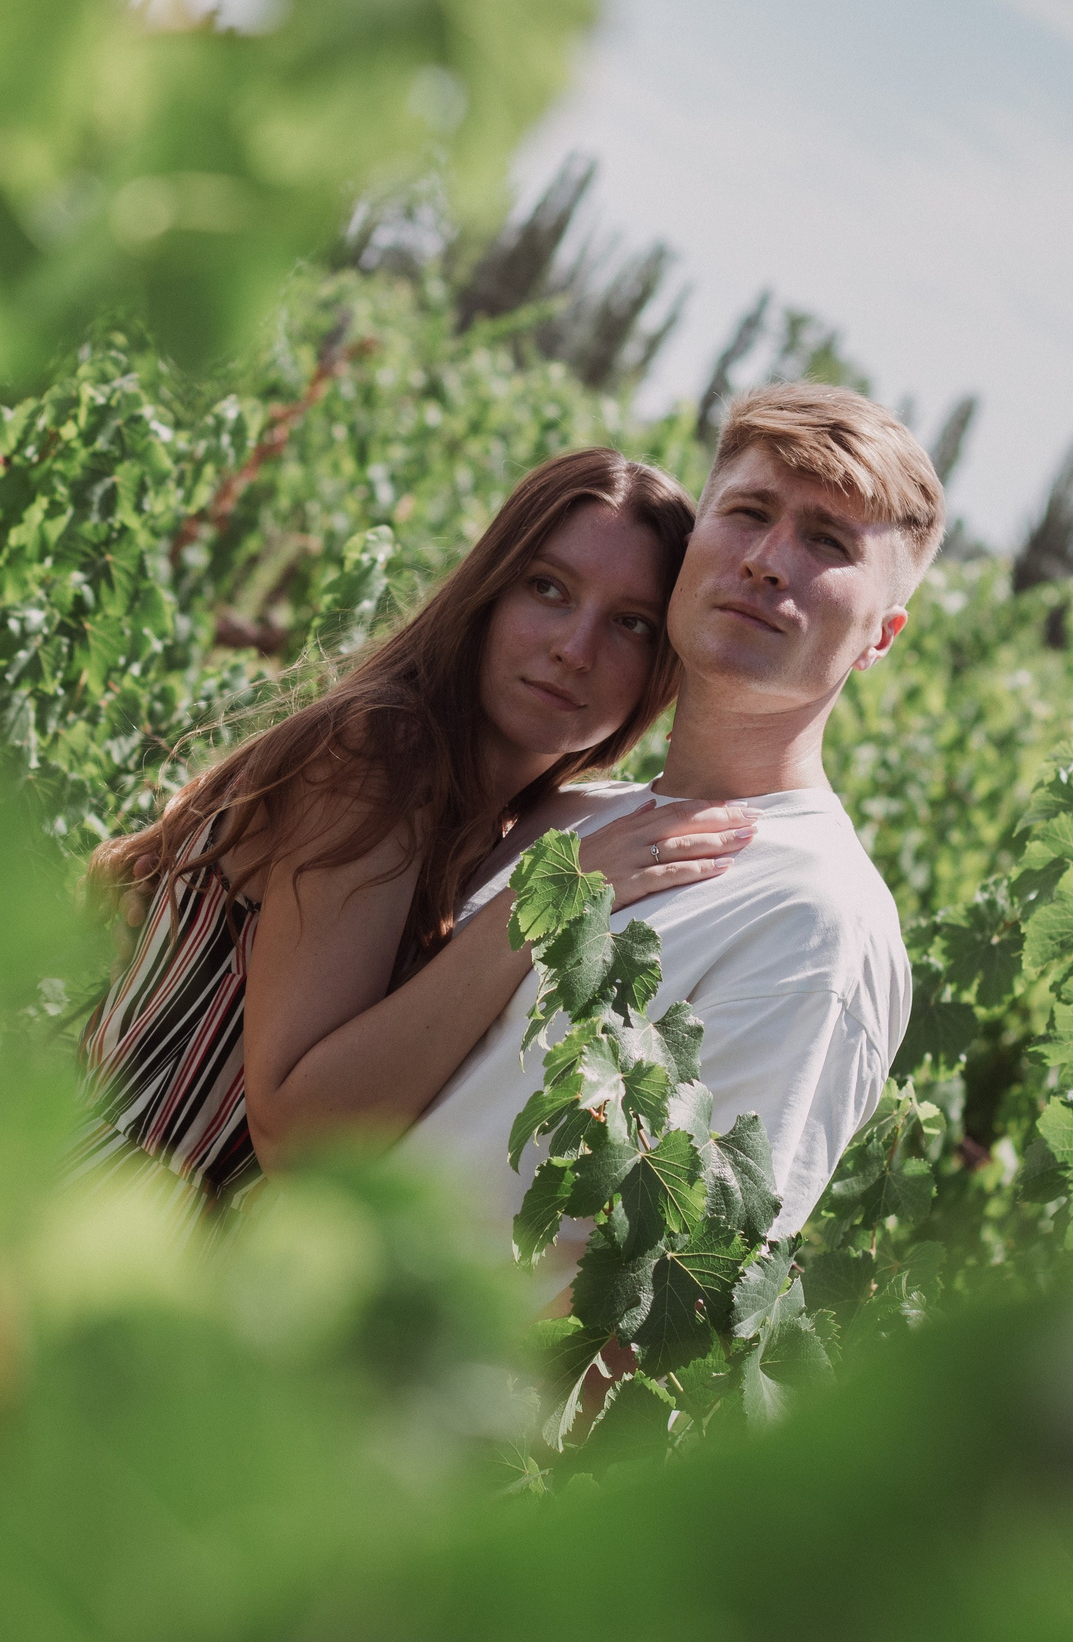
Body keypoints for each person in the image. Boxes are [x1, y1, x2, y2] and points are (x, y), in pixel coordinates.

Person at [78, 448, 764, 1204]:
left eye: (630, 623)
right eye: (548, 588)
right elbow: (298, 1136)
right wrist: (533, 911)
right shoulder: (382, 754)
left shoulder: (492, 817)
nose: (575, 648)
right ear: (489, 591)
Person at [399, 381, 942, 1252]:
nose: (769, 558)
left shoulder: (820, 921)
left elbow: (669, 1299)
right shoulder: (572, 811)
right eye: (750, 511)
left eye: (827, 540)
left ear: (882, 635)